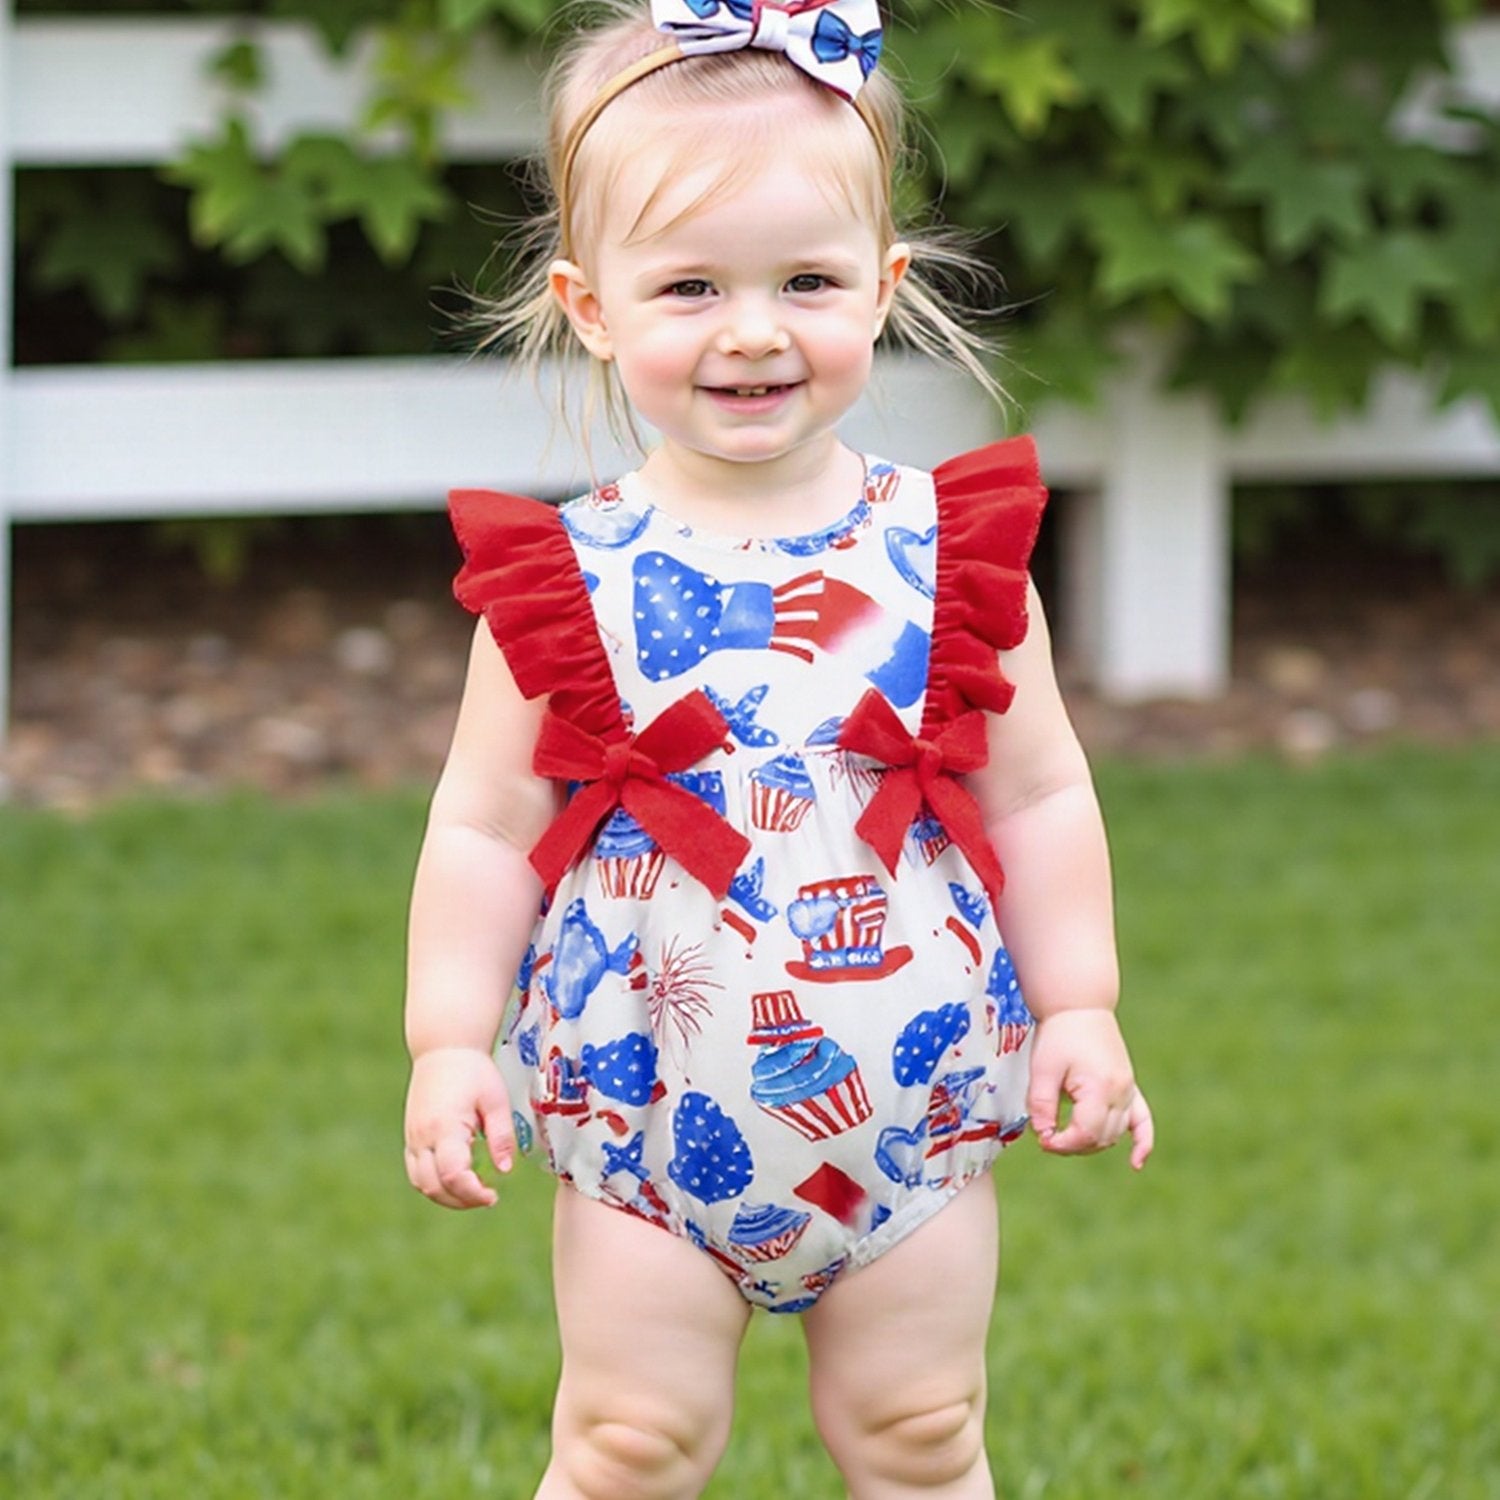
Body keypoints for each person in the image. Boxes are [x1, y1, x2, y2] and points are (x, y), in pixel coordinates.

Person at [403, 2, 1154, 1494]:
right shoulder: (571, 581)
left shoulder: (952, 556)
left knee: (922, 1435)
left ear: (880, 289)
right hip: (648, 1106)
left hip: (909, 1107)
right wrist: (444, 1039)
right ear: (592, 304)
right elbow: (484, 823)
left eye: (805, 280)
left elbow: (1045, 790)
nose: (753, 329)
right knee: (629, 1440)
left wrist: (1083, 1005)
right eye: (689, 286)